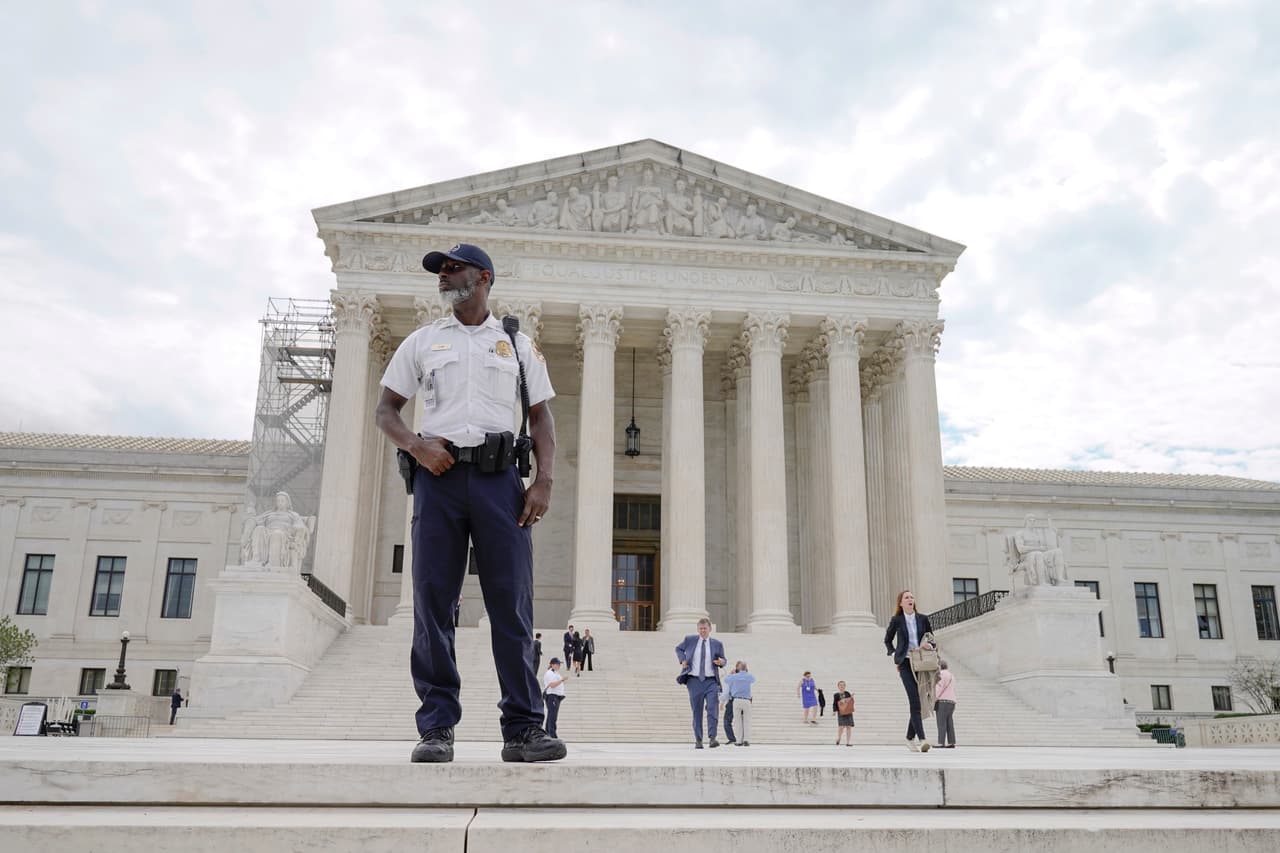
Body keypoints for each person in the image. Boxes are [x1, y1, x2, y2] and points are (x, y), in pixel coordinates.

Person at [375, 241, 564, 765]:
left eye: (452, 268)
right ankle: (436, 727)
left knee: (512, 605)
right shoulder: (422, 341)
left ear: (483, 278)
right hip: (438, 476)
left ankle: (523, 728)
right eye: (439, 270)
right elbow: (386, 410)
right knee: (433, 602)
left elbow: (542, 418)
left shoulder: (517, 346)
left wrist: (544, 480)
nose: (443, 276)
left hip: (500, 479)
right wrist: (416, 445)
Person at [883, 589, 934, 752]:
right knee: (914, 699)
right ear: (901, 603)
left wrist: (929, 645)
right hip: (905, 663)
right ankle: (923, 739)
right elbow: (887, 639)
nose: (910, 599)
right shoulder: (896, 620)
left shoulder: (923, 619)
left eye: (912, 597)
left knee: (918, 701)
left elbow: (932, 639)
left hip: (921, 662)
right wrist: (894, 653)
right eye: (906, 597)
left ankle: (909, 737)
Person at [675, 617, 726, 748]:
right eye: (701, 629)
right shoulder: (690, 640)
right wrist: (682, 660)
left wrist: (721, 662)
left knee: (712, 708)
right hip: (694, 680)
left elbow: (723, 659)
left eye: (705, 628)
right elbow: (679, 649)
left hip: (711, 681)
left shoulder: (717, 644)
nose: (703, 631)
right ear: (698, 629)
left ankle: (712, 737)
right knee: (697, 711)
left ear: (710, 629)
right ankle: (698, 739)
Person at [723, 661, 756, 747]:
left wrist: (731, 673)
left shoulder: (734, 677)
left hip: (736, 700)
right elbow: (754, 680)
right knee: (746, 721)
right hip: (746, 700)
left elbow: (726, 679)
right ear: (746, 668)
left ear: (738, 668)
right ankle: (746, 740)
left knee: (737, 721)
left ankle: (738, 740)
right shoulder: (749, 676)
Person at [542, 658, 567, 739]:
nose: (559, 666)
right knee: (552, 716)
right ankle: (552, 735)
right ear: (552, 664)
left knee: (551, 716)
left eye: (559, 664)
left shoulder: (555, 673)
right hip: (552, 696)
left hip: (556, 697)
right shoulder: (549, 673)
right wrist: (562, 680)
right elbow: (552, 685)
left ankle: (547, 734)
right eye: (557, 664)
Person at [935, 660, 958, 748]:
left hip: (943, 701)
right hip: (952, 701)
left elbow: (939, 687)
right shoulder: (952, 676)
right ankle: (951, 742)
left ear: (940, 666)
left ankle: (941, 742)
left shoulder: (941, 674)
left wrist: (934, 698)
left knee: (941, 722)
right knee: (949, 722)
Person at [833, 681, 855, 746]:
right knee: (841, 726)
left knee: (849, 727)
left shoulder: (847, 693)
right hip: (841, 712)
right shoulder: (836, 695)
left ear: (845, 686)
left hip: (848, 711)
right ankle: (839, 738)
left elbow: (850, 701)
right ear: (838, 686)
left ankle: (848, 742)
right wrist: (834, 711)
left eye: (843, 685)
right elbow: (835, 703)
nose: (842, 686)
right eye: (840, 685)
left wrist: (851, 698)